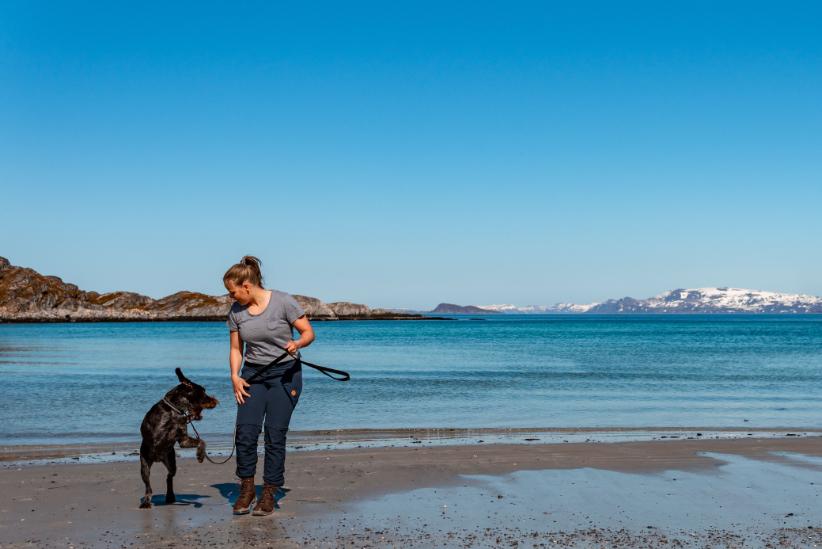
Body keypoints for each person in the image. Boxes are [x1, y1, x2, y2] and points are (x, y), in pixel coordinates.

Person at [223, 255, 315, 516]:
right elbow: (236, 349)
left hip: (285, 374)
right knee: (245, 432)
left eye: (232, 292)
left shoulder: (283, 302)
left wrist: (297, 343)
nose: (230, 297)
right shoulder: (236, 312)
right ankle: (247, 489)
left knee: (275, 434)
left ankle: (269, 492)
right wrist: (234, 376)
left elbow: (308, 333)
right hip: (253, 375)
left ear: (247, 286)